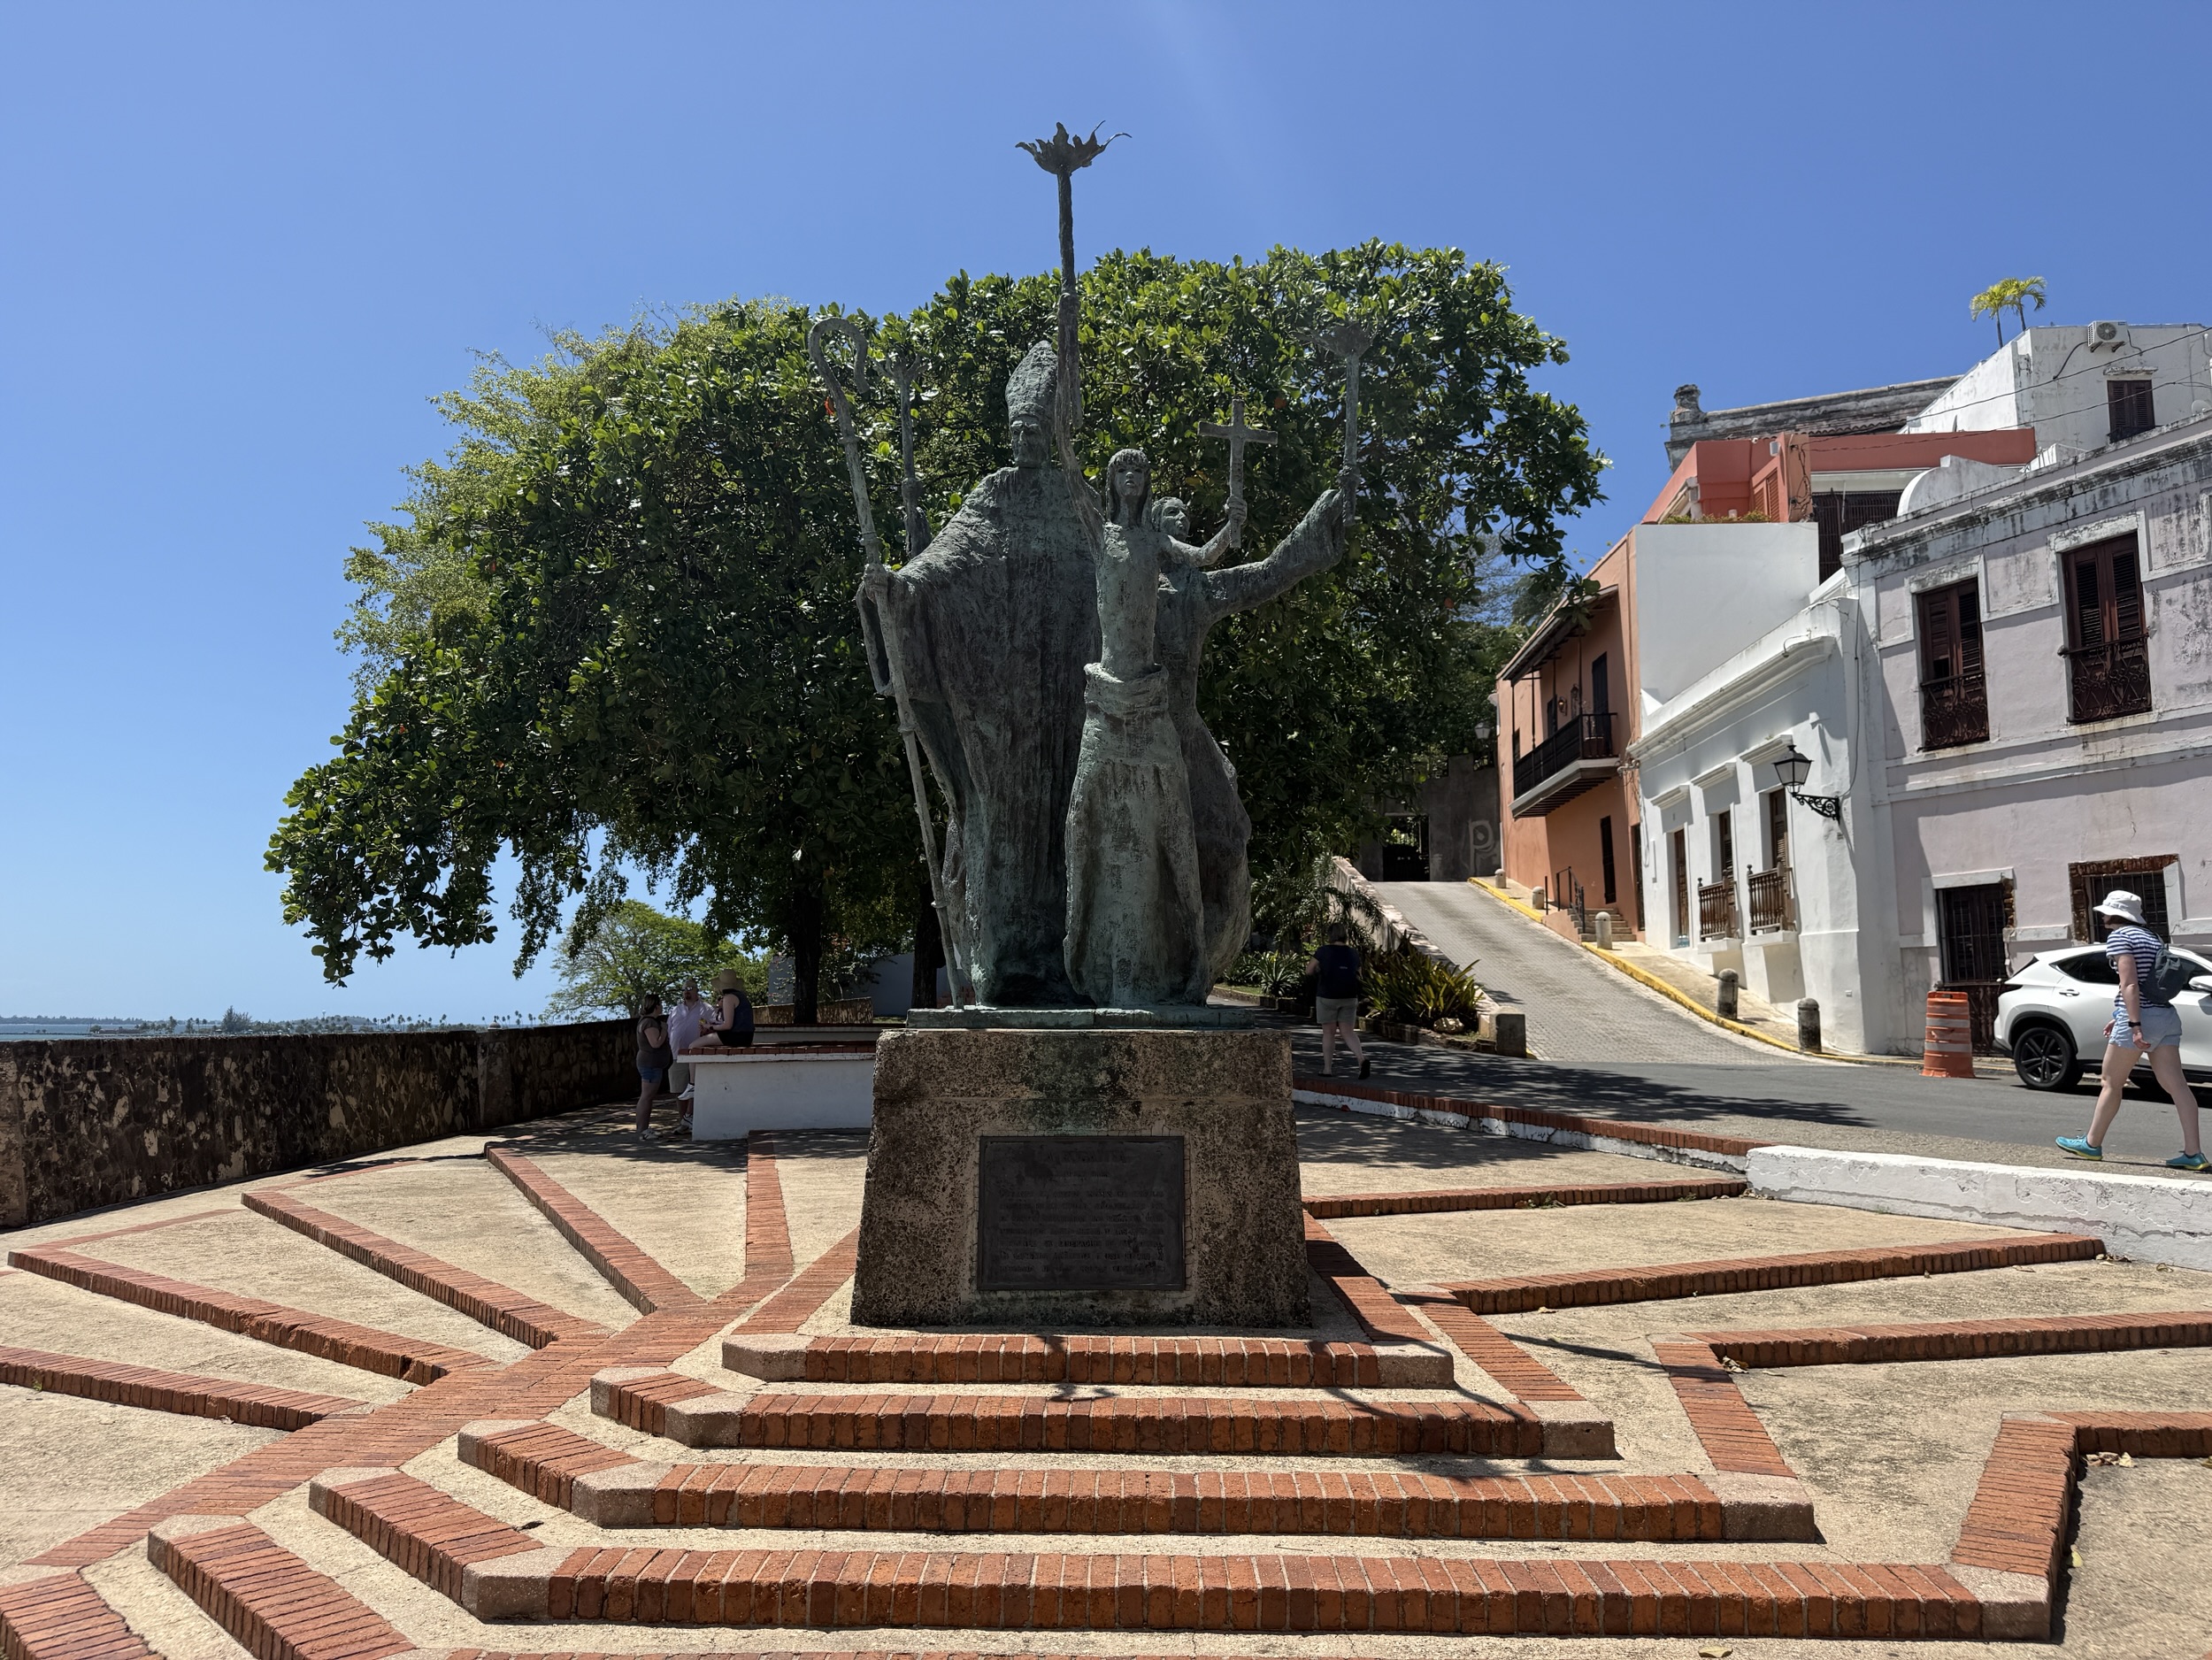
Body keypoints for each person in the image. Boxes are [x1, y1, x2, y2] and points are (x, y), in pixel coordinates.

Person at [2056, 890, 2206, 1170]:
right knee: (2178, 1086)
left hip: (2140, 1018)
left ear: (2114, 914)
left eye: (2105, 912)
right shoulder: (2152, 937)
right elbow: (2149, 982)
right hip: (2166, 1016)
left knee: (2110, 1082)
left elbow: (2130, 984)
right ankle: (2193, 1153)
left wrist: (2134, 1024)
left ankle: (2091, 1144)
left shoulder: (2120, 937)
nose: (2102, 916)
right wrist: (2119, 1017)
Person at [1308, 922, 1369, 1080]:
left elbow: (1309, 970)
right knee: (1348, 1032)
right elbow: (1359, 975)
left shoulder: (1323, 951)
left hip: (1327, 996)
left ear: (1330, 935)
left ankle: (1327, 1069)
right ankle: (1361, 1059)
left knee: (1329, 1033)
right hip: (1349, 996)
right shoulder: (1353, 953)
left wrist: (1319, 970)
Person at [634, 995, 673, 1139]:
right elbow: (655, 1043)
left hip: (652, 1064)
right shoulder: (649, 1022)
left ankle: (644, 1128)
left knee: (648, 1097)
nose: (662, 1007)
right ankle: (642, 1130)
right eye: (660, 1004)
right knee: (647, 1096)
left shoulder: (646, 1021)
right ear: (656, 1006)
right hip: (650, 1064)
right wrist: (664, 1030)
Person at [693, 968, 755, 1049]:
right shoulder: (741, 996)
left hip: (736, 1036)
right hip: (747, 1036)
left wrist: (708, 1026)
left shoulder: (729, 998)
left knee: (693, 1046)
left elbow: (727, 1026)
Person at [667, 981, 709, 1103]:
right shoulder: (675, 1010)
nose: (686, 991)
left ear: (697, 990)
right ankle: (682, 1116)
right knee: (679, 1092)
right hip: (677, 1056)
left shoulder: (707, 1009)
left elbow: (716, 1026)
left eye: (689, 988)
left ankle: (690, 1114)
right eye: (684, 989)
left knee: (696, 1091)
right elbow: (669, 1031)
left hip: (696, 1057)